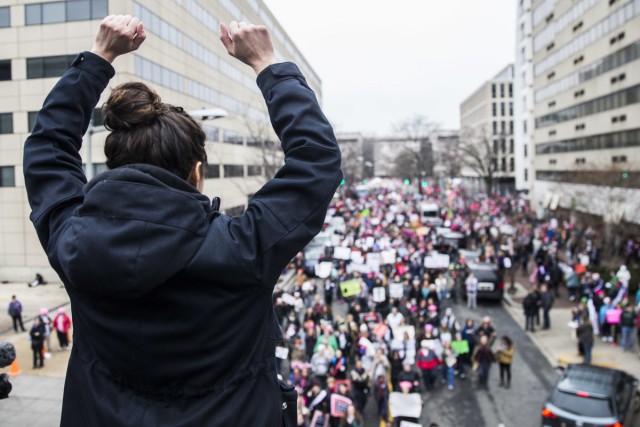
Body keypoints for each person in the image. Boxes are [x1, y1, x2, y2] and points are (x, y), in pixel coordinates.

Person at [23, 16, 342, 426]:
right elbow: (317, 161)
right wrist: (266, 63)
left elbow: (47, 147)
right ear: (195, 172)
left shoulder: (72, 243)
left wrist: (99, 58)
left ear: (113, 166)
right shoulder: (241, 249)